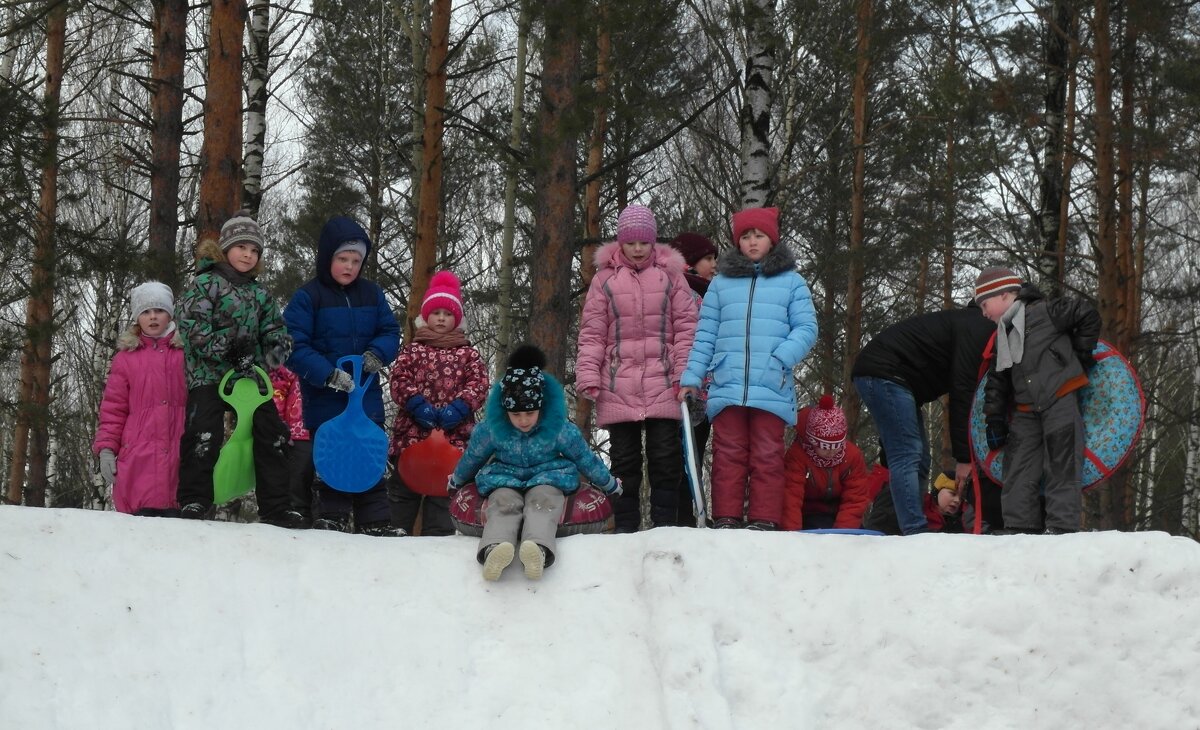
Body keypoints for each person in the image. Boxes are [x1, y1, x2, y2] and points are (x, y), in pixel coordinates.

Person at [679, 206, 818, 530]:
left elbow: (807, 328)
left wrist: (781, 358)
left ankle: (764, 519)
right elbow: (706, 335)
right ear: (737, 241)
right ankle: (726, 518)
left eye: (759, 235)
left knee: (767, 455)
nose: (752, 242)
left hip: (771, 383)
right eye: (745, 236)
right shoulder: (721, 284)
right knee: (727, 454)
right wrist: (692, 377)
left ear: (772, 239)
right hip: (727, 382)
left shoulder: (791, 282)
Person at [449, 345, 622, 581]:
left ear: (541, 407)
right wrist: (457, 479)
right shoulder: (493, 429)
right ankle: (495, 548)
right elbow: (474, 457)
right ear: (505, 411)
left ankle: (537, 548)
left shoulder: (558, 428)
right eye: (516, 415)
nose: (523, 421)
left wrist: (609, 483)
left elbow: (584, 458)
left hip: (548, 476)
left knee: (543, 502)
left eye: (529, 414)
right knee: (502, 503)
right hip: (504, 477)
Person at [175, 212, 302, 527]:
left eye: (254, 250)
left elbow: (274, 329)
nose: (248, 254)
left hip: (249, 380)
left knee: (272, 434)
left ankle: (276, 507)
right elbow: (193, 330)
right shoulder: (205, 284)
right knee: (203, 433)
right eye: (242, 247)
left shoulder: (260, 294)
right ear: (226, 249)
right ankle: (194, 500)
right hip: (208, 376)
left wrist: (277, 348)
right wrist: (231, 350)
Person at [576, 205, 697, 532]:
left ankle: (664, 526)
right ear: (621, 243)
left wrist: (686, 374)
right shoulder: (604, 281)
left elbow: (687, 326)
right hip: (618, 384)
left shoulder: (671, 276)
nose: (638, 249)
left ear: (653, 242)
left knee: (665, 458)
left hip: (663, 381)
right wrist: (588, 374)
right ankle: (626, 529)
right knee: (624, 462)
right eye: (631, 243)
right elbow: (592, 332)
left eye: (644, 242)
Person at [284, 215, 402, 536]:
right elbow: (293, 345)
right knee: (334, 460)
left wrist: (378, 353)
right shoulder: (309, 298)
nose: (349, 266)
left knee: (368, 456)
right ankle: (331, 519)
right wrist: (327, 374)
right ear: (327, 258)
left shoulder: (372, 295)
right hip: (327, 401)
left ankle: (375, 521)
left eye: (355, 260)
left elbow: (390, 331)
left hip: (366, 399)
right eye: (342, 259)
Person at [850, 300, 994, 535]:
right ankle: (914, 530)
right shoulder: (979, 327)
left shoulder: (972, 324)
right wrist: (964, 457)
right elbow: (963, 392)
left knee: (918, 458)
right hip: (885, 371)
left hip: (895, 378)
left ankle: (904, 525)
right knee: (908, 453)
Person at [976, 266, 1101, 534]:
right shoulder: (1003, 335)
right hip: (1024, 409)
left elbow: (1087, 313)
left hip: (1060, 397)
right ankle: (1019, 529)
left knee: (1062, 464)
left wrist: (1080, 355)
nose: (983, 313)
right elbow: (997, 379)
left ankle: (1061, 529)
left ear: (1006, 295)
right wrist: (994, 419)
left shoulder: (1047, 311)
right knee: (1017, 470)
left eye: (985, 305)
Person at [387, 270, 489, 535]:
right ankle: (393, 539)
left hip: (453, 439)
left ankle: (437, 542)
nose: (441, 318)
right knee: (403, 491)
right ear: (425, 317)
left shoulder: (468, 353)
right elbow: (398, 378)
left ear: (456, 319)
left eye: (447, 314)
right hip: (413, 435)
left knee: (443, 494)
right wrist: (416, 404)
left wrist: (461, 407)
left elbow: (479, 383)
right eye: (436, 313)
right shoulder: (413, 350)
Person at [92, 281, 186, 516]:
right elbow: (113, 409)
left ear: (170, 314)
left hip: (182, 455)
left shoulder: (187, 353)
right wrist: (106, 449)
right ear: (137, 317)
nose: (153, 317)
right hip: (138, 456)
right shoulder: (126, 358)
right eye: (146, 312)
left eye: (159, 311)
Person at [668, 231, 719, 526]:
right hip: (682, 387)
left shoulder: (708, 293)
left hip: (707, 388)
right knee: (679, 455)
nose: (713, 265)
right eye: (708, 258)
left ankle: (692, 513)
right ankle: (680, 518)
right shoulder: (681, 292)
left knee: (695, 454)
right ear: (689, 262)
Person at [781, 395, 871, 531]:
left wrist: (843, 534)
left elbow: (855, 498)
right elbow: (791, 497)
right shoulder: (798, 456)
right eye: (825, 447)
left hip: (841, 515)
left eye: (837, 446)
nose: (832, 452)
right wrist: (792, 535)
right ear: (812, 442)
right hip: (809, 514)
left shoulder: (852, 457)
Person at [270, 365, 315, 526]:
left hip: (330, 431)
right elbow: (277, 390)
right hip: (297, 430)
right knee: (297, 478)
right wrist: (279, 425)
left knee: (324, 480)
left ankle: (327, 519)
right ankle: (297, 515)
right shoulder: (292, 356)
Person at [861, 470, 964, 535]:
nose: (957, 501)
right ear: (937, 491)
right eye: (952, 494)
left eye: (961, 498)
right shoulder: (918, 504)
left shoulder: (959, 521)